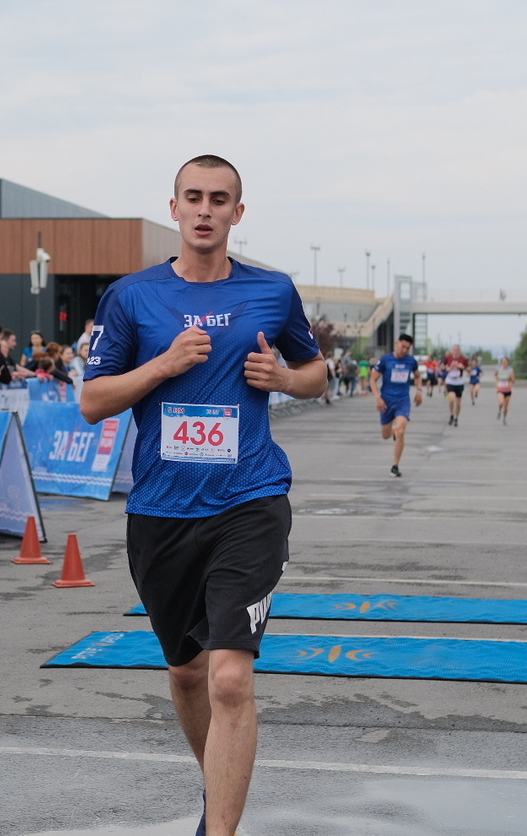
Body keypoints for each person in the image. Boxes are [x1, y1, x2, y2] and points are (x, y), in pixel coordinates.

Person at [79, 154, 326, 836]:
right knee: (187, 675)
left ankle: (220, 829)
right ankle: (219, 788)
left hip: (249, 501)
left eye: (220, 199)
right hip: (160, 511)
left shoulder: (272, 291)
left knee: (228, 680)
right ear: (175, 207)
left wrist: (282, 377)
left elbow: (318, 373)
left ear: (237, 213)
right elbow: (93, 402)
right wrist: (162, 364)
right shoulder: (132, 297)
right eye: (195, 196)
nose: (206, 209)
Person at [371, 334, 423, 476]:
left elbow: (418, 376)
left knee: (401, 431)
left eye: (408, 348)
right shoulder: (385, 360)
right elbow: (372, 379)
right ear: (396, 343)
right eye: (403, 346)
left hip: (403, 401)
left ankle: (395, 466)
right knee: (386, 435)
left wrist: (419, 391)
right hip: (386, 402)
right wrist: (378, 398)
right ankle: (392, 431)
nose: (405, 350)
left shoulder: (411, 361)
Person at [442, 344, 468, 426]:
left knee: (458, 403)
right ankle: (451, 414)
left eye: (457, 350)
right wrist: (447, 368)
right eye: (454, 349)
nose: (455, 351)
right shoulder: (448, 358)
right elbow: (442, 366)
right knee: (451, 399)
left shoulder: (463, 359)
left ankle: (456, 418)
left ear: (459, 351)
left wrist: (462, 367)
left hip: (459, 382)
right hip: (450, 381)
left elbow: (468, 368)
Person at [496, 356, 515, 423]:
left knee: (506, 406)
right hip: (500, 389)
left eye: (505, 362)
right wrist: (498, 377)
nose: (504, 363)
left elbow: (513, 380)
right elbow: (496, 376)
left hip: (508, 390)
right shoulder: (499, 369)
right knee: (501, 402)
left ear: (508, 363)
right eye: (503, 362)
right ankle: (499, 411)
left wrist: (509, 379)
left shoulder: (510, 370)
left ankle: (504, 418)